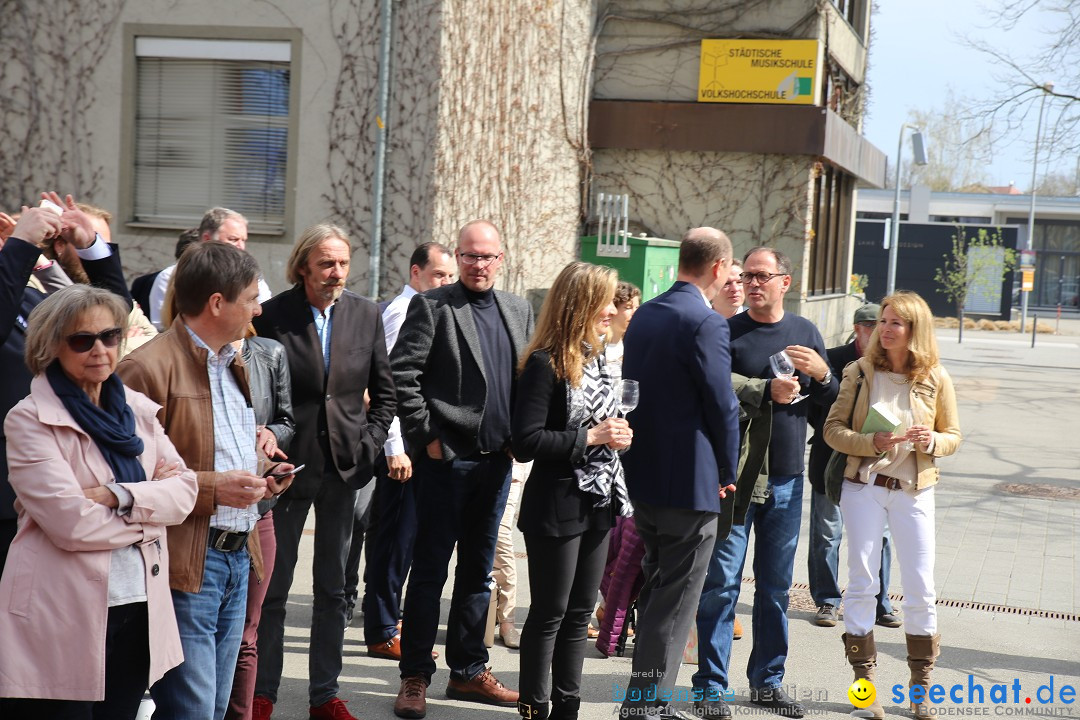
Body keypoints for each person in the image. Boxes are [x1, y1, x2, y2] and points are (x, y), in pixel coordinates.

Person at [0, 284, 197, 717]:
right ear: (50, 346)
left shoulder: (136, 409)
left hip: (140, 604)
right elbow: (71, 524)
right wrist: (151, 511)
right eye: (81, 340)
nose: (100, 349)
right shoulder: (29, 419)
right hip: (62, 610)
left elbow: (185, 492)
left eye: (109, 336)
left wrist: (116, 496)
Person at [117, 242, 294, 720]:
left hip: (238, 556)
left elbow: (218, 456)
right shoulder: (145, 368)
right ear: (217, 303)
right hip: (184, 565)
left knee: (212, 710)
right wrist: (216, 487)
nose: (260, 309)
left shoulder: (232, 361)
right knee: (192, 712)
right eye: (251, 298)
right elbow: (125, 482)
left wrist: (263, 477)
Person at [390, 219, 533, 718]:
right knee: (429, 571)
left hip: (497, 463)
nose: (479, 264)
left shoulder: (517, 308)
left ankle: (469, 671)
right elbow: (402, 375)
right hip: (445, 463)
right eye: (470, 256)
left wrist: (525, 437)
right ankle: (414, 678)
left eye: (488, 256)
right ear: (458, 257)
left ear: (501, 258)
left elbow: (528, 380)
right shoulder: (432, 306)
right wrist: (428, 439)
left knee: (478, 574)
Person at [252, 224, 396, 720]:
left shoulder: (365, 313)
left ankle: (324, 696)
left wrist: (371, 441)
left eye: (342, 263)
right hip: (287, 468)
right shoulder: (273, 316)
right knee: (273, 587)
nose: (337, 274)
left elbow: (386, 391)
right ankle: (262, 692)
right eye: (326, 265)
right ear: (303, 268)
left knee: (334, 589)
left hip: (345, 467)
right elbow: (259, 391)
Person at [693, 247, 837, 719]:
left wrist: (823, 376)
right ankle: (710, 688)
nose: (753, 284)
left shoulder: (805, 332)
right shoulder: (725, 332)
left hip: (789, 479)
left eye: (762, 276)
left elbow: (829, 405)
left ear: (784, 282)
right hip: (737, 478)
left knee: (775, 588)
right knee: (721, 585)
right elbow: (707, 398)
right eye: (747, 276)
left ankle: (767, 683)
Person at [618, 227, 740, 720]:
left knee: (658, 593)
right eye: (730, 270)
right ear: (716, 268)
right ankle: (645, 706)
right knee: (677, 600)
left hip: (644, 477)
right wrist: (729, 469)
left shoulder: (646, 313)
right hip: (690, 483)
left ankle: (643, 699)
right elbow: (722, 403)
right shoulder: (705, 322)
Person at [825, 291, 962, 720]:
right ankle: (863, 689)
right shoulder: (860, 372)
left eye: (895, 323)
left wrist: (933, 440)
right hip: (864, 486)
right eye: (883, 321)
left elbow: (954, 434)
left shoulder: (935, 376)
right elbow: (832, 430)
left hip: (915, 489)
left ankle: (920, 688)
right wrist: (871, 442)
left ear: (914, 330)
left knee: (921, 587)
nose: (884, 329)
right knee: (863, 581)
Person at [513, 262, 633, 720]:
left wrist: (620, 436)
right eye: (603, 300)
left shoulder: (599, 358)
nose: (611, 309)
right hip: (556, 502)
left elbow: (606, 425)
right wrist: (591, 438)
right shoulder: (544, 362)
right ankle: (533, 707)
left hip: (598, 499)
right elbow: (525, 442)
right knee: (550, 613)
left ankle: (567, 707)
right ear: (579, 303)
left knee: (581, 614)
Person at [1, 195, 133, 577]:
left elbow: (110, 320)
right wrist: (22, 245)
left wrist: (90, 246)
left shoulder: (27, 296)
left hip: (65, 488)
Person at [360, 241, 456, 660]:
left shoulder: (430, 308)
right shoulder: (405, 311)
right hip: (402, 449)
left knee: (405, 536)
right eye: (439, 275)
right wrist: (395, 447)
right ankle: (383, 628)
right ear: (416, 273)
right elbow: (391, 386)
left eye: (450, 276)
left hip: (416, 445)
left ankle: (388, 621)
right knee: (394, 538)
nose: (446, 283)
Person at [806, 303, 898, 629]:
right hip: (831, 459)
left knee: (881, 536)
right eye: (873, 326)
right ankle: (827, 601)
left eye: (885, 326)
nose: (880, 333)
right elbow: (814, 410)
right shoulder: (831, 359)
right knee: (827, 533)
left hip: (877, 462)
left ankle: (880, 603)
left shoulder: (891, 362)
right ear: (858, 328)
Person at [226, 327, 296, 720]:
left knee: (248, 632)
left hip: (260, 507)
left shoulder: (268, 354)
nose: (257, 310)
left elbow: (286, 418)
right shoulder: (181, 359)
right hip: (207, 513)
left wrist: (271, 436)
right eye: (250, 299)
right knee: (209, 634)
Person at [147, 208, 272, 330]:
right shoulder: (171, 276)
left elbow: (262, 315)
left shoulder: (252, 277)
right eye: (233, 239)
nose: (241, 246)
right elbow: (162, 327)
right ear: (207, 238)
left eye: (243, 240)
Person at [604, 280, 640, 367]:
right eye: (628, 307)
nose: (635, 312)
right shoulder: (597, 349)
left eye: (637, 307)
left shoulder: (634, 344)